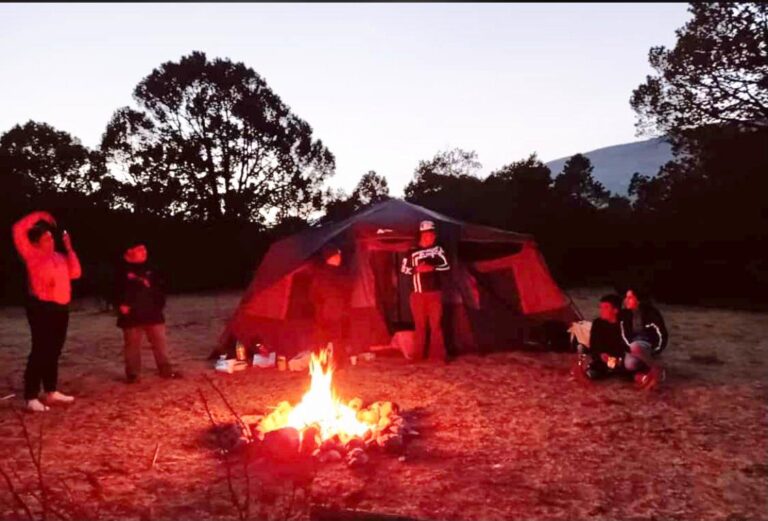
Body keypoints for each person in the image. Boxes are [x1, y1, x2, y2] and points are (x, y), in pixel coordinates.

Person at [12, 211, 81, 412]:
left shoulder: (59, 257)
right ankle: (31, 396)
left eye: (51, 237)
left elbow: (76, 273)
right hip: (41, 308)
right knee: (40, 350)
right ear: (36, 242)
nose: (50, 241)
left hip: (60, 307)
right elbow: (17, 229)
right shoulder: (32, 255)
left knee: (54, 350)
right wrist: (40, 215)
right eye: (46, 238)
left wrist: (69, 249)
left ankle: (50, 391)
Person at [114, 240, 178, 383]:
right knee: (133, 347)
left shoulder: (152, 268)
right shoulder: (120, 271)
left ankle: (166, 370)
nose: (144, 252)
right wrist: (120, 304)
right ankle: (133, 374)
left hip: (153, 313)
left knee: (160, 344)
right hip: (131, 316)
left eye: (145, 249)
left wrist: (159, 303)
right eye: (140, 250)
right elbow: (112, 290)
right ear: (129, 253)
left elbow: (161, 287)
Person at [400, 220, 451, 363]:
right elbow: (404, 270)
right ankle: (418, 356)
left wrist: (432, 268)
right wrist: (417, 269)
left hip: (435, 293)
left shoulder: (438, 250)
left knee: (436, 325)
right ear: (423, 235)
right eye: (430, 235)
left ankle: (438, 356)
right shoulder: (411, 251)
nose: (432, 237)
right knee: (420, 326)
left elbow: (446, 266)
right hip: (417, 295)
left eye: (434, 235)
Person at [309, 245, 352, 368]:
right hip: (327, 311)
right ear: (331, 257)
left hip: (330, 311)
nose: (339, 258)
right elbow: (314, 294)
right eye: (337, 256)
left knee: (333, 338)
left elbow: (313, 294)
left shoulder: (336, 273)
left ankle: (334, 363)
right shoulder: (326, 274)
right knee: (327, 338)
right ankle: (324, 363)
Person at [619, 288, 668, 389]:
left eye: (630, 297)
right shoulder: (625, 314)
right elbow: (623, 334)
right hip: (631, 344)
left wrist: (656, 350)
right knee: (629, 365)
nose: (626, 300)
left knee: (635, 346)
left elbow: (662, 334)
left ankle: (655, 368)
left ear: (638, 300)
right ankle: (650, 364)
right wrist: (628, 347)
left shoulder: (650, 313)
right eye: (626, 297)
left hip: (647, 343)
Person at [577, 294, 626, 380]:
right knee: (595, 366)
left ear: (615, 310)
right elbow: (594, 344)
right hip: (603, 359)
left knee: (627, 366)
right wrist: (601, 354)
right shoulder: (598, 323)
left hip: (619, 359)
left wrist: (613, 359)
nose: (602, 311)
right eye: (601, 307)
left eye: (606, 308)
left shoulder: (623, 325)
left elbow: (625, 347)